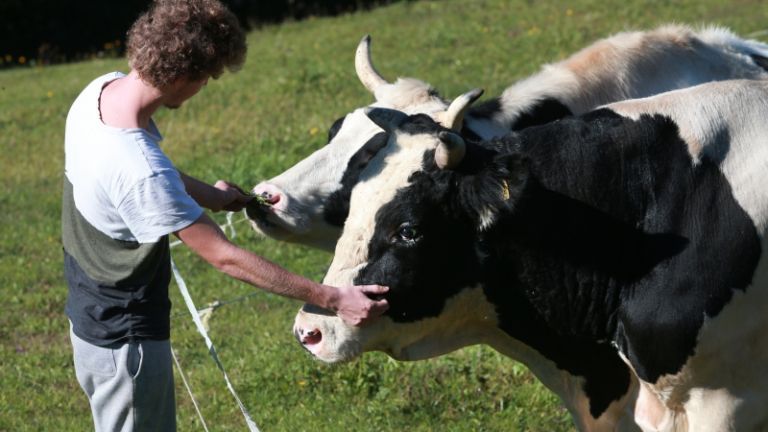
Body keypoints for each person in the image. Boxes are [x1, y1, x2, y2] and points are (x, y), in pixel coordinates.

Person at [61, 1, 389, 430]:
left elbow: (143, 176)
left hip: (88, 314)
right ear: (183, 78)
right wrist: (333, 298)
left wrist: (210, 196)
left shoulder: (99, 93)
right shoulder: (141, 169)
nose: (203, 88)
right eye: (206, 78)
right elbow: (224, 257)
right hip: (126, 344)